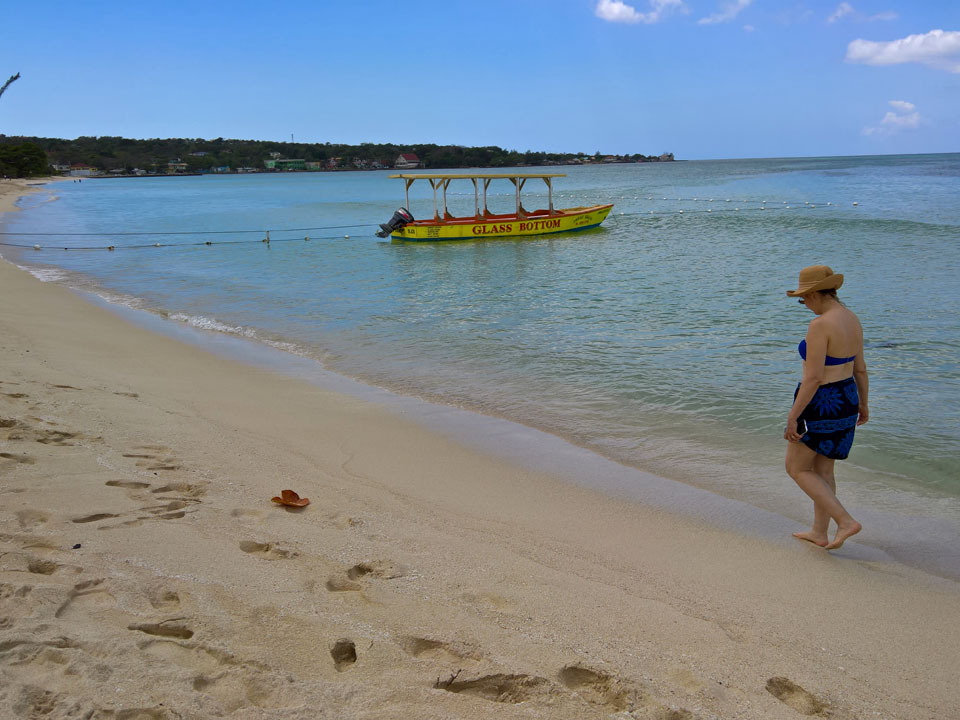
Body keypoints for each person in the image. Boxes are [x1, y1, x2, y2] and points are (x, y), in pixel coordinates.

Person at [783, 265, 868, 550]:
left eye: (803, 299)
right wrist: (864, 403)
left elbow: (814, 378)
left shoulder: (820, 325)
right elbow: (860, 369)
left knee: (796, 468)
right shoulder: (852, 318)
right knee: (823, 471)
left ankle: (845, 521)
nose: (805, 305)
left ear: (814, 294)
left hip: (821, 402)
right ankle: (819, 532)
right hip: (847, 397)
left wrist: (792, 417)